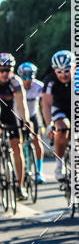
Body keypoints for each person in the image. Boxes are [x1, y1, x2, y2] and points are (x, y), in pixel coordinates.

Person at [0, 53, 30, 199]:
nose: (5, 73)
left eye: (8, 70)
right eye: (1, 70)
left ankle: (20, 186)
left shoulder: (15, 82)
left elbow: (21, 104)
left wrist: (26, 121)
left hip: (11, 114)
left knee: (17, 147)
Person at [41, 50, 73, 182]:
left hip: (78, 108)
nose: (63, 75)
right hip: (58, 108)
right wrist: (49, 125)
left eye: (67, 70)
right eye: (59, 71)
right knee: (62, 127)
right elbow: (46, 104)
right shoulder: (50, 80)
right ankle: (59, 165)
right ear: (54, 70)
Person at [16, 61, 45, 183]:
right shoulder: (16, 86)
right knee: (18, 143)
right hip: (17, 116)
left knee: (37, 140)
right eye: (25, 77)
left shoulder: (39, 86)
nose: (28, 80)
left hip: (33, 115)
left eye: (30, 77)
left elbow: (44, 105)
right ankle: (21, 169)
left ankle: (39, 171)